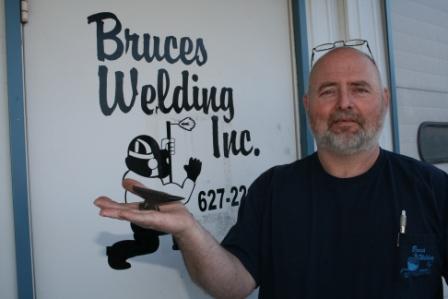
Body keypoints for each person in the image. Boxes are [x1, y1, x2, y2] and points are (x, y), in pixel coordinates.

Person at [94, 45, 448, 298]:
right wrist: (188, 230)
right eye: (328, 91)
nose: (344, 103)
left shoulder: (431, 188)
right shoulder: (274, 190)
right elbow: (231, 286)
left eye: (359, 89)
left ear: (384, 99)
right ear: (308, 105)